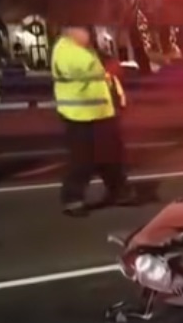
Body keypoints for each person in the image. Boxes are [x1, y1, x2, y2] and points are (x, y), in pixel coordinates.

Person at [50, 26, 135, 217]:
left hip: (100, 113)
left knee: (111, 156)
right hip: (79, 115)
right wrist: (108, 65)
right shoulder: (66, 50)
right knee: (82, 160)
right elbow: (85, 69)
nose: (90, 35)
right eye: (86, 31)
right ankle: (72, 199)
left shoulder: (85, 49)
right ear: (71, 31)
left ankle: (119, 191)